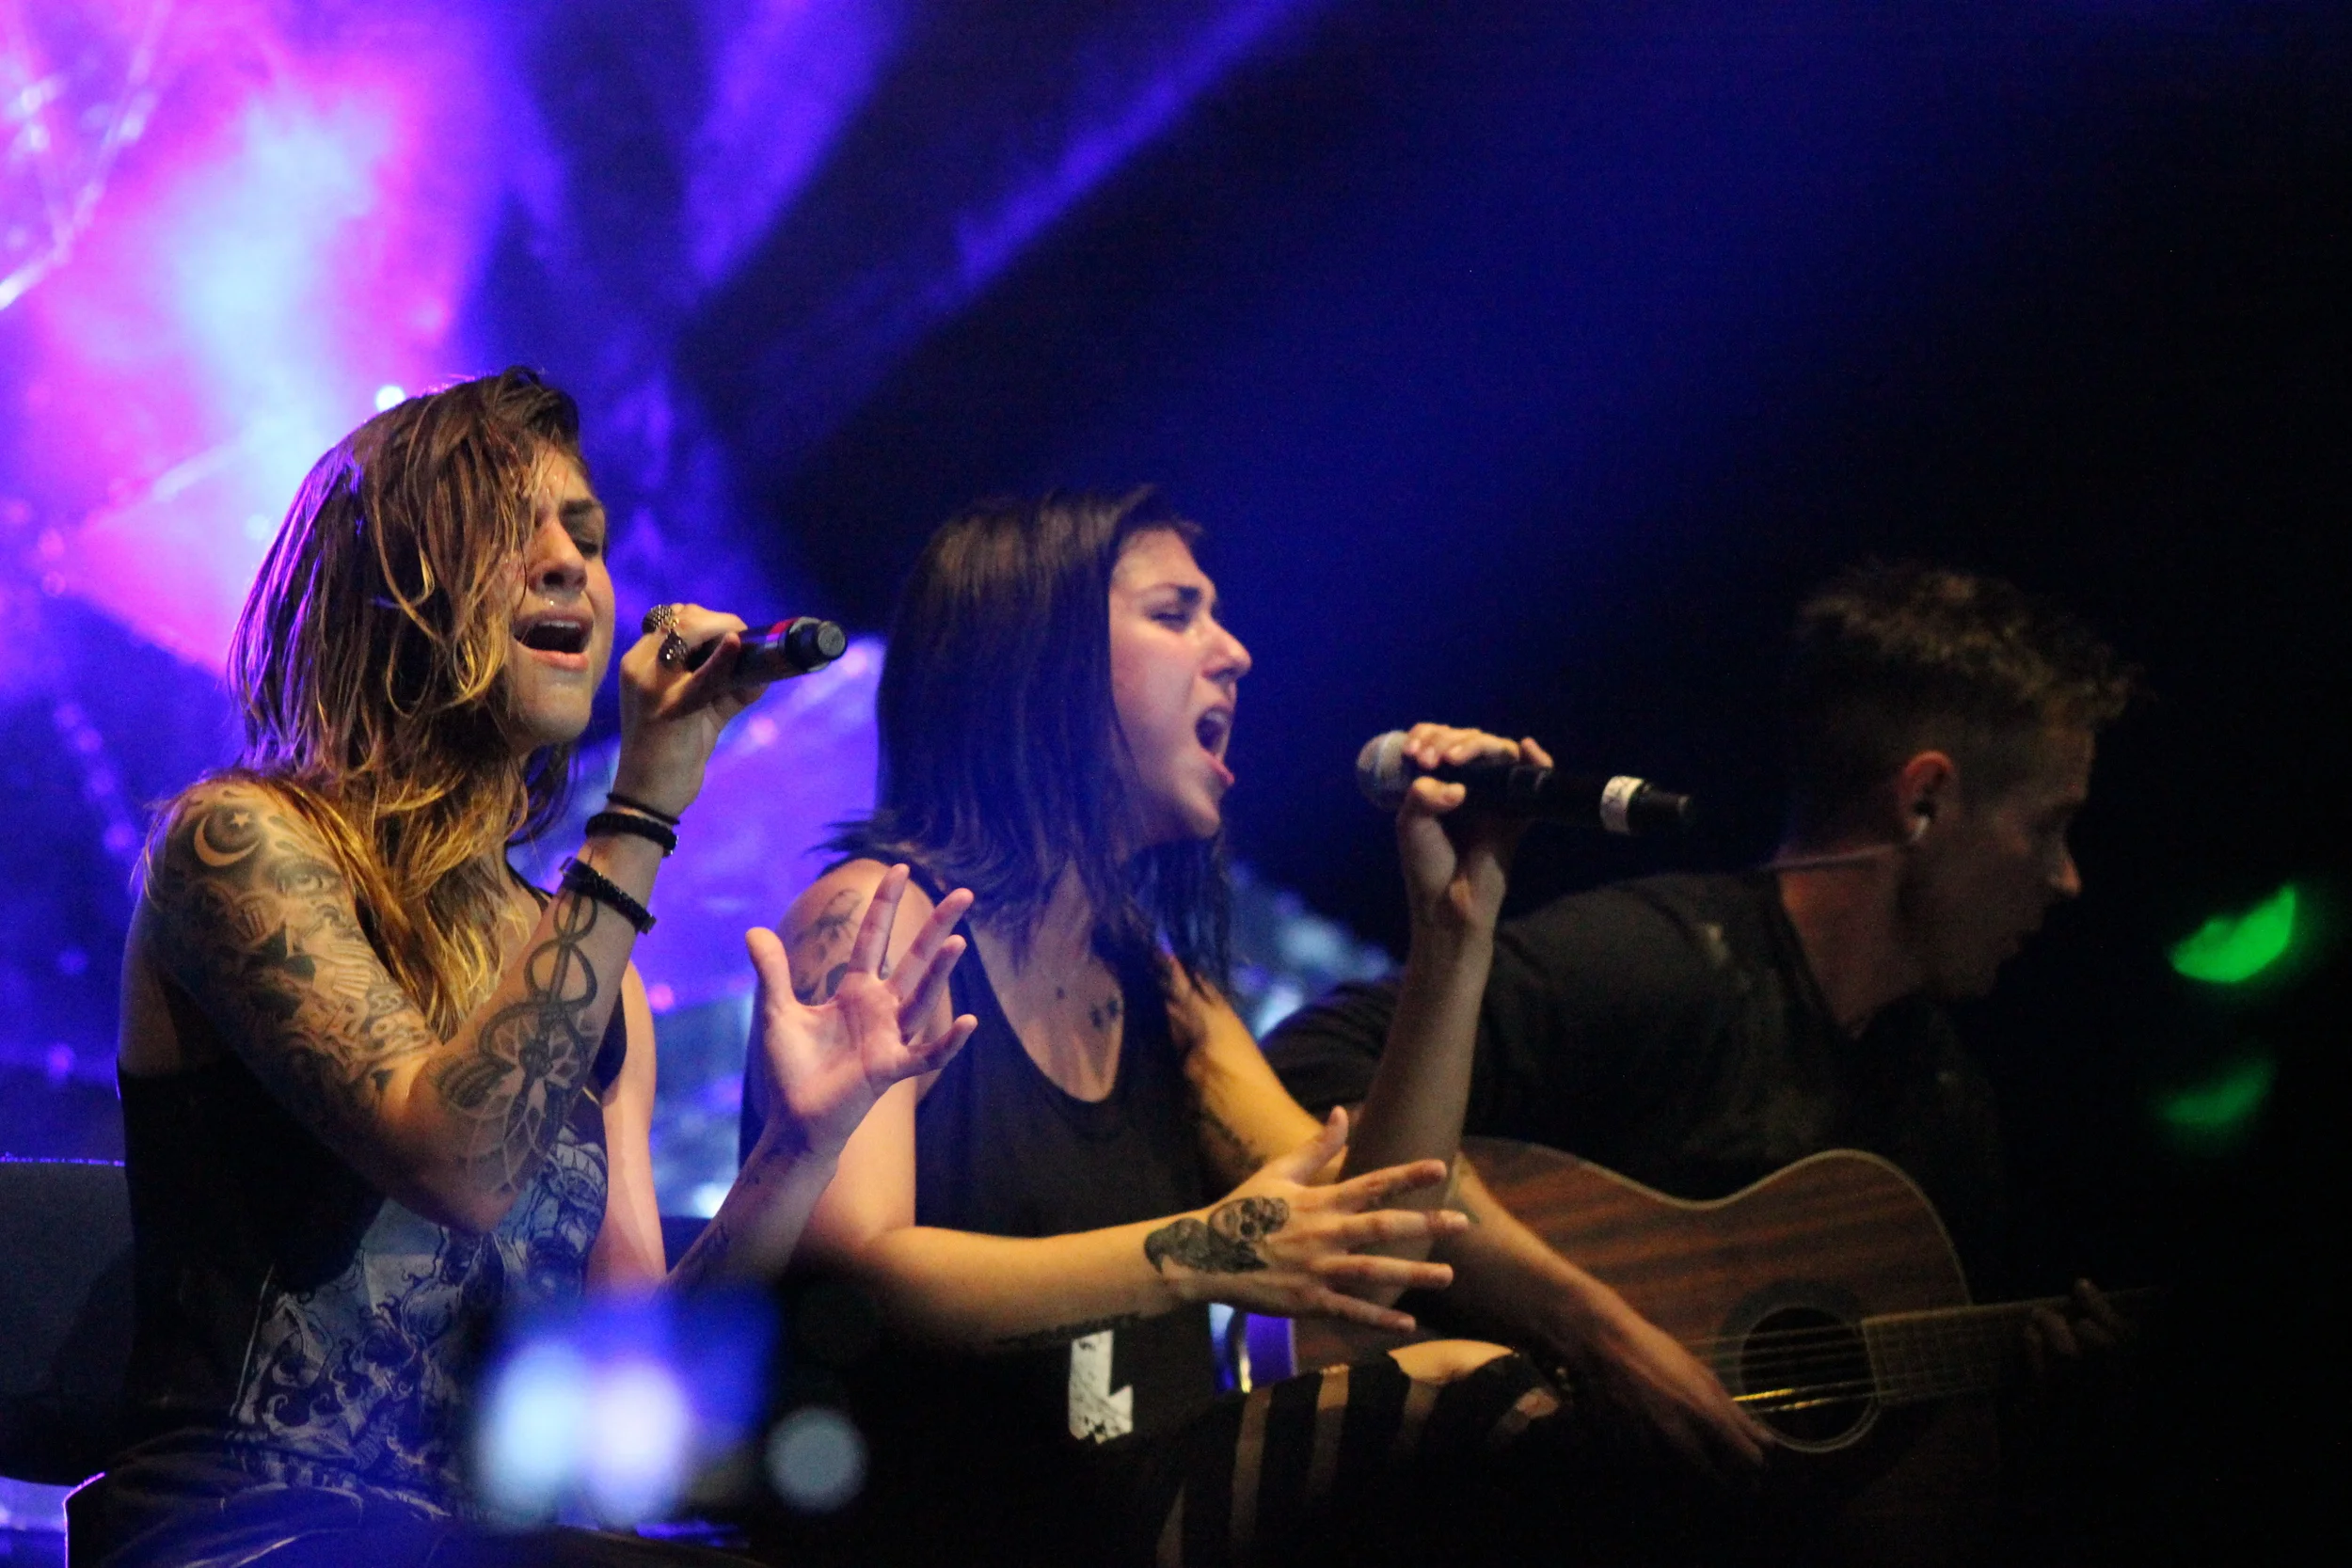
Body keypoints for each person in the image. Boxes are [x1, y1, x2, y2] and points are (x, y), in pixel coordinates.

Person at [738, 492, 1765, 1568]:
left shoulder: (1160, 988)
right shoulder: (882, 919)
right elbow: (857, 1268)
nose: (1232, 653)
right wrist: (1198, 1253)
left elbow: (1378, 1246)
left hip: (1136, 1501)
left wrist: (1452, 934)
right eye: (1174, 613)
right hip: (955, 1519)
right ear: (1036, 660)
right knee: (1472, 1394)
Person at [72, 370, 975, 1567]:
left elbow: (629, 1390)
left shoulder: (591, 973)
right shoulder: (239, 845)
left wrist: (799, 1144)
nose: (568, 565)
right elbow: (456, 1159)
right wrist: (640, 809)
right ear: (390, 582)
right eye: (511, 529)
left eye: (586, 538)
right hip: (251, 1531)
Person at [1263, 561, 2137, 1326]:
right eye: (2047, 826)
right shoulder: (1657, 965)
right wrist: (1586, 1326)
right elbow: (1308, 1063)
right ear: (1924, 801)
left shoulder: (1947, 1109)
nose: (2067, 878)